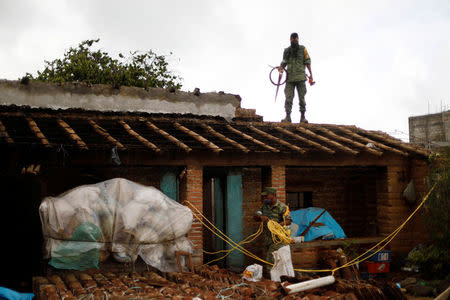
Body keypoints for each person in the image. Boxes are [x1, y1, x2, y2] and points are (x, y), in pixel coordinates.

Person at [278, 32, 313, 123]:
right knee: (288, 98)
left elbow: (307, 61)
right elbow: (284, 62)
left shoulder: (303, 49)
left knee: (302, 98)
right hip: (289, 78)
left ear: (298, 39)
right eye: (292, 39)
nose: (294, 40)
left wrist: (311, 75)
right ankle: (288, 116)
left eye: (295, 38)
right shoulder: (287, 51)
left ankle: (303, 117)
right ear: (290, 39)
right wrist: (280, 68)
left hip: (301, 77)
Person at [254, 187, 292, 268]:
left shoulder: (282, 207)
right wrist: (260, 217)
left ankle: (271, 278)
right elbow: (256, 215)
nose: (265, 198)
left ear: (274, 195)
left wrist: (276, 225)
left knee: (270, 260)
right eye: (264, 196)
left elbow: (288, 221)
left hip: (277, 239)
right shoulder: (264, 206)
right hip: (267, 238)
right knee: (272, 260)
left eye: (267, 196)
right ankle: (275, 278)